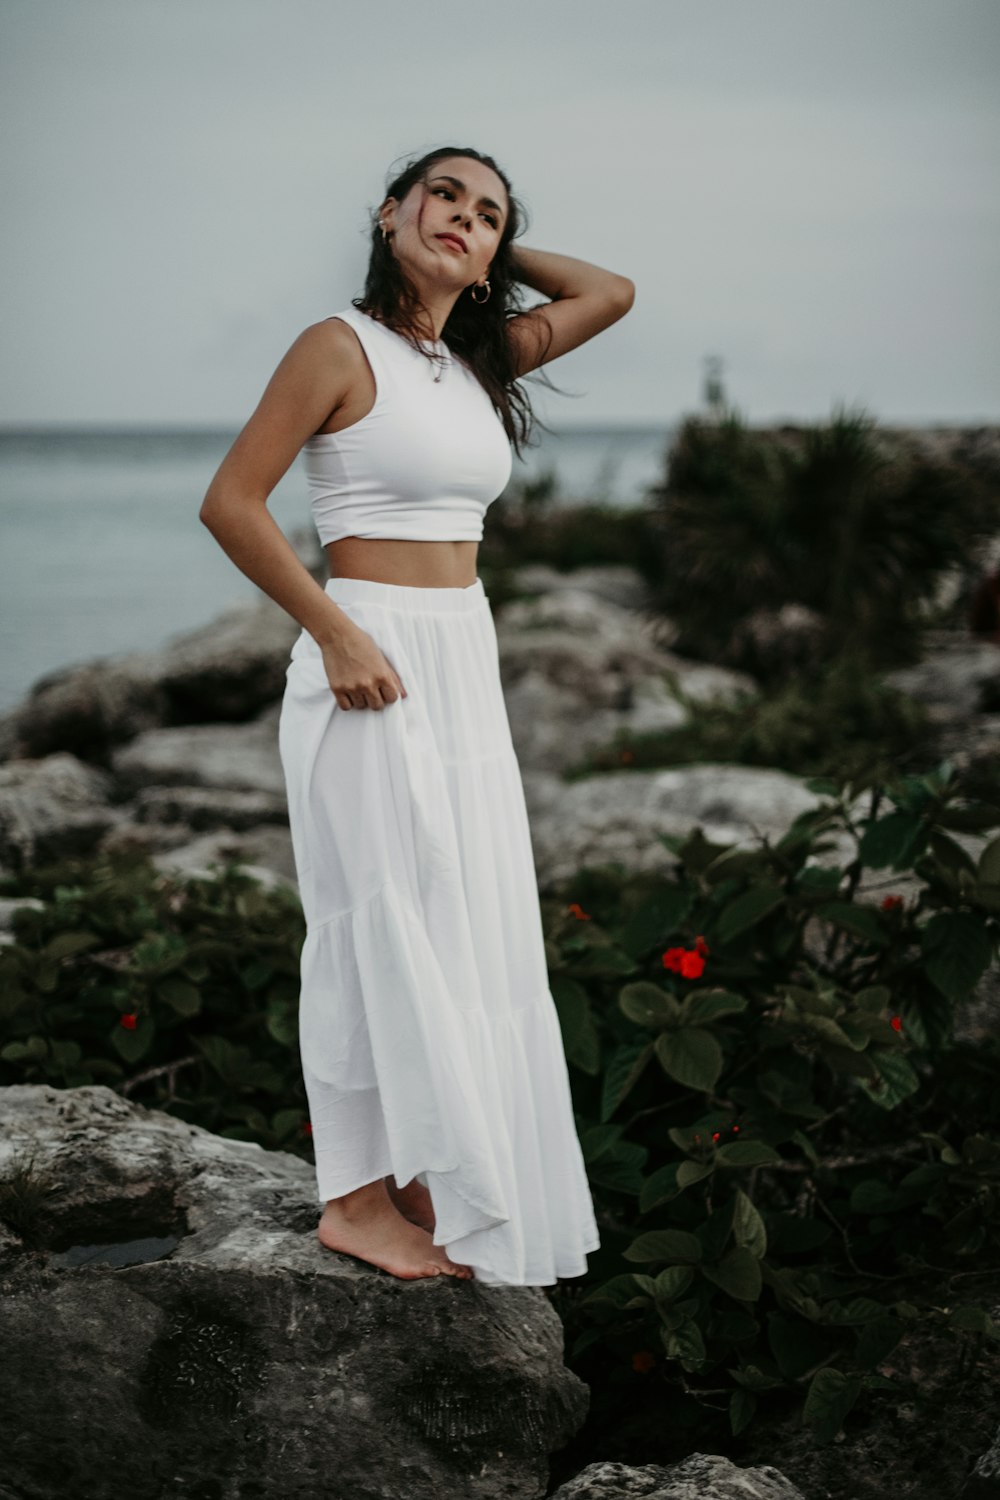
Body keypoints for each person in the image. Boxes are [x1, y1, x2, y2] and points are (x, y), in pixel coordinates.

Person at [200, 144, 635, 1285]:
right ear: (387, 211)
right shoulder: (334, 349)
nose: (465, 217)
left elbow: (611, 295)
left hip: (463, 657)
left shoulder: (479, 361)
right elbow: (231, 504)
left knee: (458, 918)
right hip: (369, 651)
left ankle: (418, 1177)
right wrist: (336, 633)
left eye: (488, 213)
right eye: (441, 195)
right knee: (370, 917)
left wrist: (484, 258)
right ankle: (351, 1198)